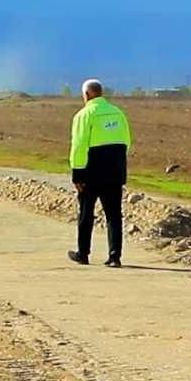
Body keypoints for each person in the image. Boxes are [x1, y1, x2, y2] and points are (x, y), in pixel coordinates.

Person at [69, 79, 132, 267]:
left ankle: (83, 253)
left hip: (91, 171)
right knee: (114, 214)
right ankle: (115, 256)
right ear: (101, 93)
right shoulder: (118, 113)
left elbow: (79, 146)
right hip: (115, 171)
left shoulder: (84, 114)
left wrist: (77, 174)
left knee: (86, 213)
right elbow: (126, 142)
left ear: (87, 95)